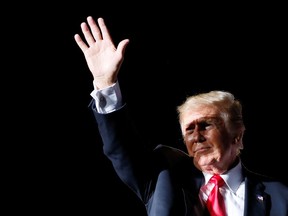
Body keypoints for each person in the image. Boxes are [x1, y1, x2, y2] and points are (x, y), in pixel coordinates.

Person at [74, 16, 288, 216]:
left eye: (206, 125)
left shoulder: (280, 195)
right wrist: (106, 84)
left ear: (237, 135)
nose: (196, 136)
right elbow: (120, 149)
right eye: (189, 129)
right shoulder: (163, 176)